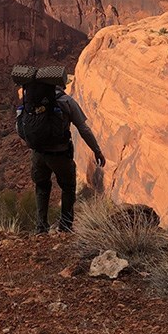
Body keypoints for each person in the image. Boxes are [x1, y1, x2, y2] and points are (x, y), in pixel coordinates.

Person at [17, 79, 105, 234]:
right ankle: (65, 226)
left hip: (38, 154)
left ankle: (41, 227)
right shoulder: (66, 101)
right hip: (60, 154)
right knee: (68, 187)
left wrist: (35, 142)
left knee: (42, 188)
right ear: (60, 85)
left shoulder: (31, 101)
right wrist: (96, 150)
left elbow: (20, 127)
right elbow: (83, 129)